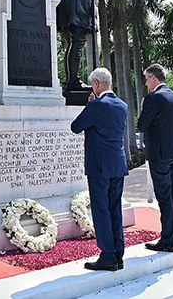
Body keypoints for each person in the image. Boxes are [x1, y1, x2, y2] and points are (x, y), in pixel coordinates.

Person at [70, 67, 129, 271]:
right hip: (117, 164)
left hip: (99, 166)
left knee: (101, 209)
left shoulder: (96, 106)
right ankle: (118, 254)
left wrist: (90, 106)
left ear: (96, 84)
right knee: (115, 209)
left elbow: (75, 126)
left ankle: (108, 255)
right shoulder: (122, 105)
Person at [136, 64, 173, 252]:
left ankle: (167, 241)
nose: (146, 82)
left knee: (164, 198)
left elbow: (141, 125)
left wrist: (143, 107)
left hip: (160, 155)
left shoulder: (153, 98)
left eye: (147, 78)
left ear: (154, 78)